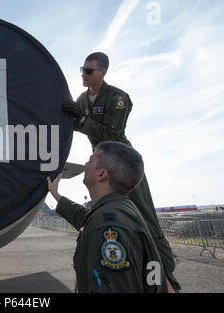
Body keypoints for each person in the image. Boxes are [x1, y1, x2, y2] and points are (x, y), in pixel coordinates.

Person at [62, 52, 180, 291]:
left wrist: (82, 122)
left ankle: (168, 278)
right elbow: (76, 122)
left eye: (89, 71)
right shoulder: (83, 100)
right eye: (81, 70)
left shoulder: (117, 97)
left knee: (147, 220)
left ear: (103, 72)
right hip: (101, 162)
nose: (83, 75)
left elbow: (113, 133)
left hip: (123, 163)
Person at [48, 141, 168, 292]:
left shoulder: (108, 227)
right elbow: (87, 218)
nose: (85, 164)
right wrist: (57, 195)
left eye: (90, 160)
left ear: (102, 174)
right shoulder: (120, 209)